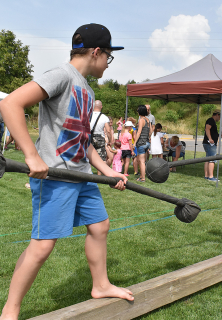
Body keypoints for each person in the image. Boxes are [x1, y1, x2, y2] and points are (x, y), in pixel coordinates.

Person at [0, 23, 134, 319]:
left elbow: (81, 139)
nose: (107, 64)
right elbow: (10, 103)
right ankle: (9, 310)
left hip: (81, 176)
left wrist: (105, 171)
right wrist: (32, 156)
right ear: (97, 52)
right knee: (43, 246)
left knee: (100, 226)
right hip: (56, 177)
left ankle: (100, 285)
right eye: (108, 57)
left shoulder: (85, 89)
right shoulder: (61, 76)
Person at [90, 100, 112, 175]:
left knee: (88, 155)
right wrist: (110, 140)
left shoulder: (88, 115)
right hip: (100, 138)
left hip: (89, 137)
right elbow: (108, 130)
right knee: (102, 158)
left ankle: (88, 174)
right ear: (101, 107)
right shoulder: (104, 117)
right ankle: (100, 176)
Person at [133, 105, 151, 182]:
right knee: (143, 161)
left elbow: (139, 132)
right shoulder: (148, 120)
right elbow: (150, 132)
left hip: (141, 143)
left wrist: (135, 143)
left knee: (141, 161)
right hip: (147, 143)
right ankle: (141, 176)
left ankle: (142, 178)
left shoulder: (141, 120)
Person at [203, 109, 221, 182]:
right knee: (212, 160)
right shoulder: (210, 120)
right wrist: (210, 138)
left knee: (207, 159)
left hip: (208, 143)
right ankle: (211, 176)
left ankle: (206, 175)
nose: (220, 118)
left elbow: (212, 131)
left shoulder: (211, 121)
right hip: (210, 143)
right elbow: (207, 129)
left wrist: (219, 135)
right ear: (217, 115)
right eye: (220, 116)